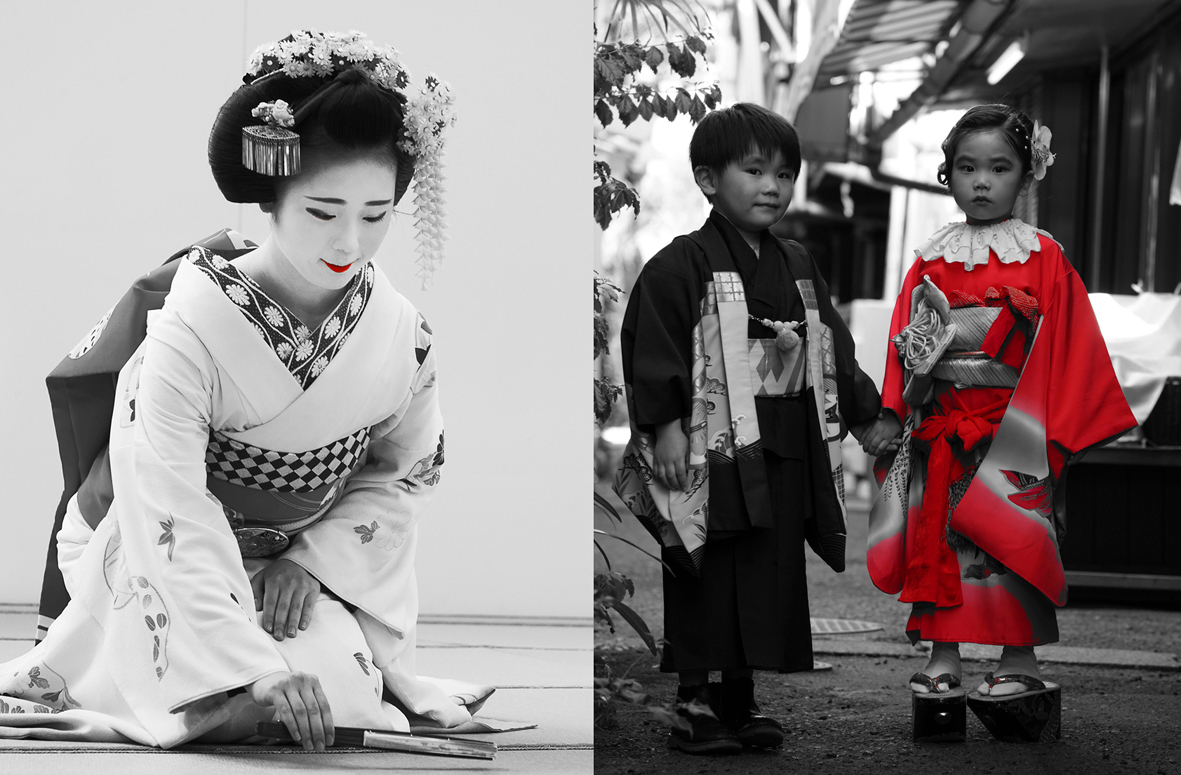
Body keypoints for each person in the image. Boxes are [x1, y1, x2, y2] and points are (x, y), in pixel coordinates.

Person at [0, 30, 485, 750]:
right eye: (322, 211)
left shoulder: (400, 334)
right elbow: (164, 495)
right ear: (272, 194)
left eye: (375, 215)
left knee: (334, 690)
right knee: (204, 683)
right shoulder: (192, 328)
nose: (349, 243)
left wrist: (311, 562)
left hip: (294, 555)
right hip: (151, 540)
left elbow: (402, 476)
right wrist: (247, 665)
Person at [612, 103, 891, 755]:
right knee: (706, 564)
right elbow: (654, 346)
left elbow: (829, 346)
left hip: (781, 441)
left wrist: (866, 414)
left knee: (766, 568)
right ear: (708, 180)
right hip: (709, 445)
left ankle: (738, 696)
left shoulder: (797, 263)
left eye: (785, 174)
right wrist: (665, 426)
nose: (773, 186)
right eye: (755, 170)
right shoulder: (679, 264)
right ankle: (693, 700)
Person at [868, 104, 1136, 706]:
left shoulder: (1045, 257)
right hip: (945, 424)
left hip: (1016, 428)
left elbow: (1073, 346)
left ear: (1027, 174)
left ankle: (1019, 657)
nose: (982, 182)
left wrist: (1048, 429)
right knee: (940, 536)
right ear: (948, 175)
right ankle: (943, 654)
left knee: (1013, 537)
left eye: (999, 168)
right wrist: (894, 410)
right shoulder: (930, 258)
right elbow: (903, 343)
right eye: (967, 168)